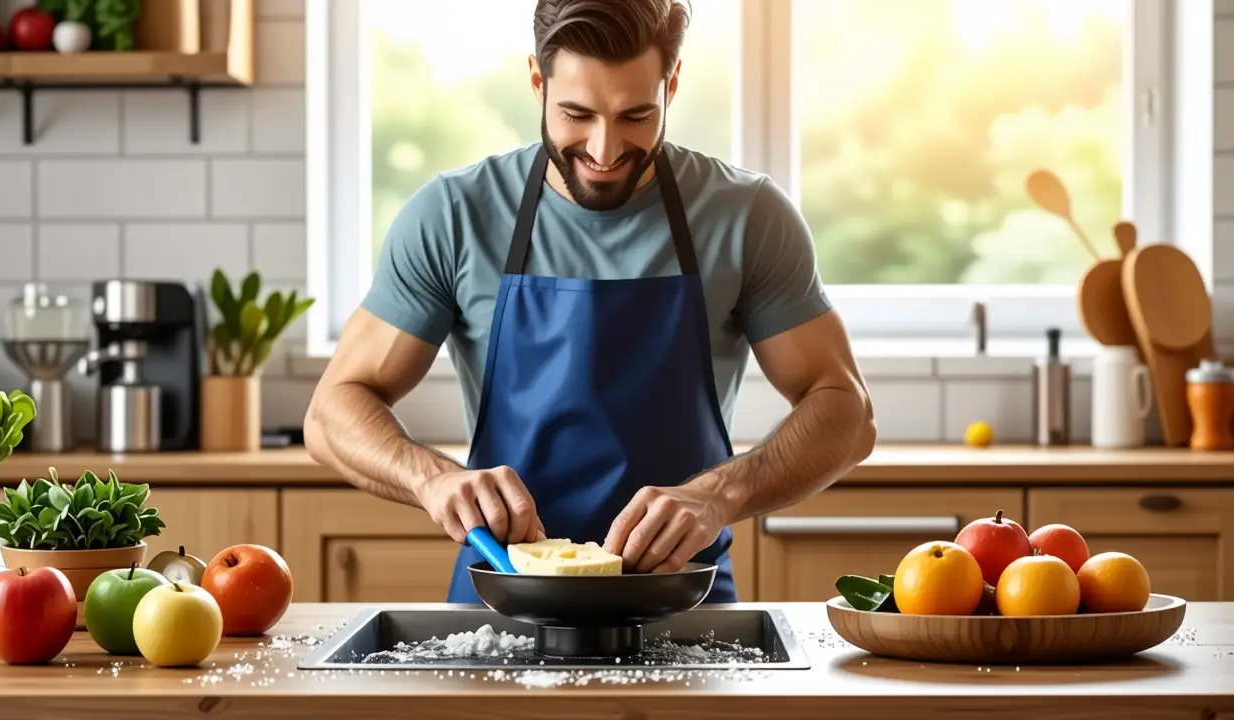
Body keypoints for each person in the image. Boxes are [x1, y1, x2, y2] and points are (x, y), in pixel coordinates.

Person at [304, 0, 876, 604]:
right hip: (502, 606)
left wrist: (718, 497)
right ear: (537, 81)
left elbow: (846, 411)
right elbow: (331, 412)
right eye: (577, 115)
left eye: (636, 115)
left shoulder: (747, 216)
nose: (605, 150)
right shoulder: (455, 215)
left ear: (672, 84)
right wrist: (433, 479)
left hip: (682, 608)